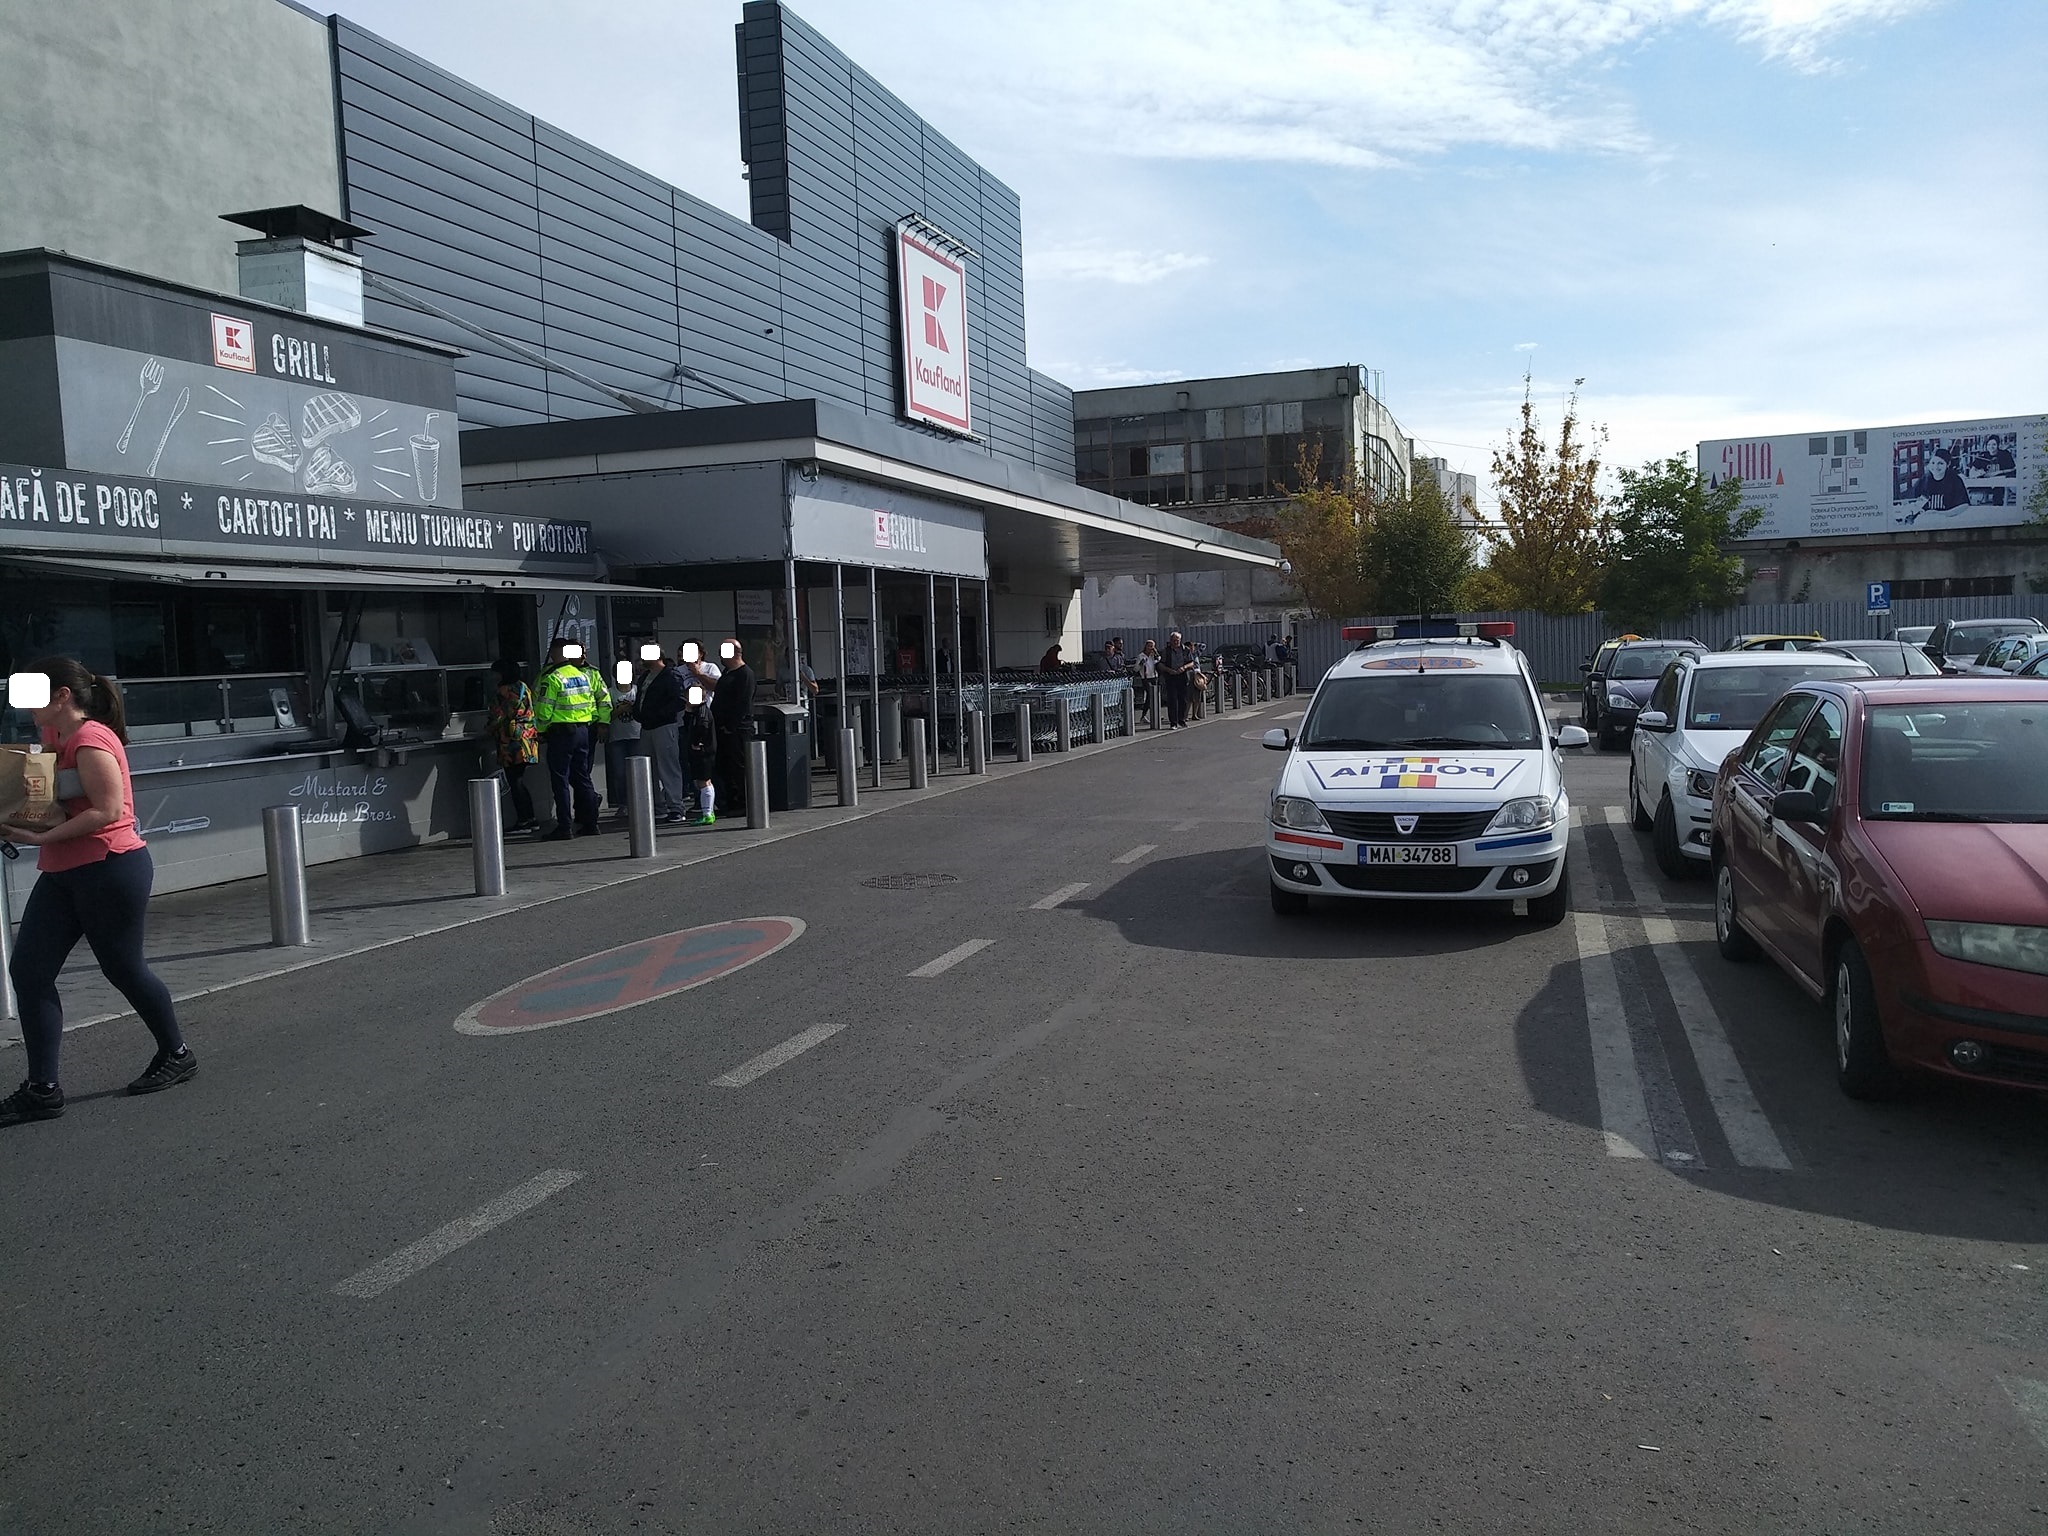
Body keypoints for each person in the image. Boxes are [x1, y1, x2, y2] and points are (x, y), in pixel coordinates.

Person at [2, 657, 193, 1125]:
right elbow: (49, 799)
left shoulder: (90, 739)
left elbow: (109, 810)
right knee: (28, 971)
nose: (24, 708)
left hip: (110, 867)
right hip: (65, 870)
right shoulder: (53, 738)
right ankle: (43, 1088)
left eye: (32, 696)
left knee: (124, 969)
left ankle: (177, 1053)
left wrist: (41, 838)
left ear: (62, 696)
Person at [533, 639, 601, 840]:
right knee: (583, 778)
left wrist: (541, 731)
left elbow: (544, 711)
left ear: (554, 654)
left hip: (561, 733)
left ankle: (564, 826)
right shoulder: (582, 676)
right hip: (583, 731)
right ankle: (591, 823)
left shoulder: (552, 678)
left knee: (560, 779)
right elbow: (591, 704)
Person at [486, 659, 539, 831]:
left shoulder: (503, 691)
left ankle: (525, 819)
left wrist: (488, 728)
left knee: (515, 781)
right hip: (527, 739)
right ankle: (530, 817)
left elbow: (498, 717)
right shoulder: (524, 687)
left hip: (510, 743)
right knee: (519, 780)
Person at [634, 652, 687, 824]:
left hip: (664, 726)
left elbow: (679, 700)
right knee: (650, 768)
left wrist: (659, 714)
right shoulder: (645, 676)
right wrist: (639, 714)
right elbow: (640, 698)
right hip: (647, 726)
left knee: (668, 766)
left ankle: (676, 807)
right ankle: (658, 806)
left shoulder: (670, 675)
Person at [710, 639, 755, 816]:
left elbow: (743, 704)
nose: (720, 655)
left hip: (737, 730)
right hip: (721, 728)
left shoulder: (745, 674)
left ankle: (743, 803)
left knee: (738, 767)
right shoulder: (727, 672)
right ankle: (729, 801)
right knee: (724, 766)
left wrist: (730, 726)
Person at [603, 650, 642, 818]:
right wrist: (619, 710)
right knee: (619, 773)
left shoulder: (637, 690)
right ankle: (623, 804)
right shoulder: (609, 692)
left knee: (640, 772)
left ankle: (640, 802)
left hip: (637, 735)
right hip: (617, 738)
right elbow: (606, 715)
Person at [1161, 630, 1193, 729]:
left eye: (1178, 640)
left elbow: (1191, 663)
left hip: (1182, 676)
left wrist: (1184, 668)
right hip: (1171, 676)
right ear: (1170, 640)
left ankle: (1181, 720)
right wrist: (1168, 670)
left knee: (1183, 699)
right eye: (1174, 640)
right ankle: (1173, 722)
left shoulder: (1185, 650)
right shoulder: (1166, 651)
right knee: (1172, 700)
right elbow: (1160, 664)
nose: (1176, 642)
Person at [1136, 640, 1160, 725]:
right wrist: (1140, 664)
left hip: (1154, 677)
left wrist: (1156, 655)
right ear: (1146, 646)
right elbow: (1136, 669)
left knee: (1155, 696)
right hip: (1146, 678)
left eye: (1152, 646)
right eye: (1149, 646)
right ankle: (1144, 715)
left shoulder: (1154, 656)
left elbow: (1158, 662)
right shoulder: (1141, 656)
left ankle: (1155, 713)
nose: (1151, 648)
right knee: (1150, 695)